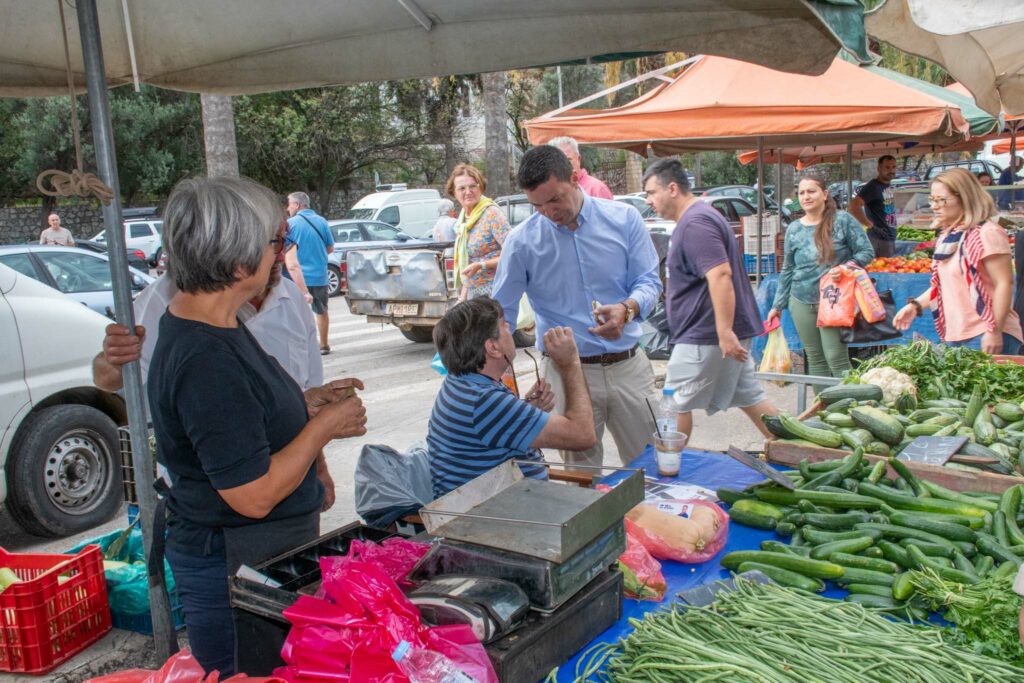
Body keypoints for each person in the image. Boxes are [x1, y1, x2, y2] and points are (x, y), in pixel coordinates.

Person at [146, 177, 367, 675]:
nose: (280, 254)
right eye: (275, 242)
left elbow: (239, 417)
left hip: (255, 555)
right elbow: (253, 494)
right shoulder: (206, 358)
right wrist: (325, 426)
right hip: (231, 563)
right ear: (239, 262)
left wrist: (302, 404)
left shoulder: (217, 323)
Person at [493, 145, 661, 467]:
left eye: (554, 199)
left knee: (651, 469)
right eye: (537, 205)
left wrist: (628, 309)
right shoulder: (521, 242)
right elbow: (502, 316)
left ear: (574, 177)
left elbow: (650, 282)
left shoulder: (624, 218)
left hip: (628, 366)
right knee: (582, 482)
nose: (548, 212)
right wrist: (495, 380)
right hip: (567, 374)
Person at [642, 158, 778, 441]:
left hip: (704, 335)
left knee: (673, 402)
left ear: (672, 188)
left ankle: (668, 470)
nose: (648, 201)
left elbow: (720, 275)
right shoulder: (700, 217)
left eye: (651, 193)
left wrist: (724, 331)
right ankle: (798, 452)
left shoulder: (695, 223)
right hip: (713, 334)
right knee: (751, 398)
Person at [428, 297, 595, 497]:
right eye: (505, 326)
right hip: (496, 517)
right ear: (493, 348)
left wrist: (527, 412)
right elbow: (583, 435)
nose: (510, 329)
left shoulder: (461, 383)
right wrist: (570, 363)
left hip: (496, 502)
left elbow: (492, 426)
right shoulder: (484, 401)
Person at [894, 168, 1022, 354]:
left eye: (941, 200)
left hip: (986, 333)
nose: (934, 206)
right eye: (932, 199)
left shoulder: (987, 232)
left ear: (965, 198)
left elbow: (1005, 283)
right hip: (957, 335)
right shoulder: (950, 236)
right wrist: (914, 306)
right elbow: (945, 284)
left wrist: (994, 331)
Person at [766, 176, 875, 379]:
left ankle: (849, 407)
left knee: (836, 357)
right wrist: (777, 306)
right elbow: (788, 269)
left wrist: (844, 268)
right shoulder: (794, 229)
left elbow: (866, 252)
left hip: (833, 299)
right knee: (815, 358)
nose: (806, 196)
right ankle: (824, 409)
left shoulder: (842, 220)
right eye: (802, 193)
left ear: (824, 195)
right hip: (800, 300)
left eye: (811, 191)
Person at [447, 164, 512, 300]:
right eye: (462, 188)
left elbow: (514, 253)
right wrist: (462, 299)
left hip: (497, 291)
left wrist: (482, 265)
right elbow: (468, 266)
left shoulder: (491, 214)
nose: (468, 191)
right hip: (476, 295)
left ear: (480, 187)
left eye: (473, 186)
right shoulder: (463, 220)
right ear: (454, 193)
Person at [285, 191, 334, 354]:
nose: (287, 208)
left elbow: (284, 252)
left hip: (297, 279)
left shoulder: (290, 224)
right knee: (321, 311)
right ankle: (324, 344)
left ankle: (303, 346)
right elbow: (330, 248)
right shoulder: (322, 222)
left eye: (290, 204)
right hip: (319, 275)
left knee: (297, 314)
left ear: (297, 205)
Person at [849, 155, 898, 257]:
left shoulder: (886, 185)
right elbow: (854, 206)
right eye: (887, 167)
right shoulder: (873, 186)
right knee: (884, 271)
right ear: (879, 169)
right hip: (879, 239)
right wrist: (870, 225)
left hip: (888, 237)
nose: (891, 170)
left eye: (893, 167)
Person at [549, 136, 614, 199]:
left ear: (579, 159)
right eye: (557, 161)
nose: (563, 165)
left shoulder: (597, 189)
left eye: (568, 160)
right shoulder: (550, 191)